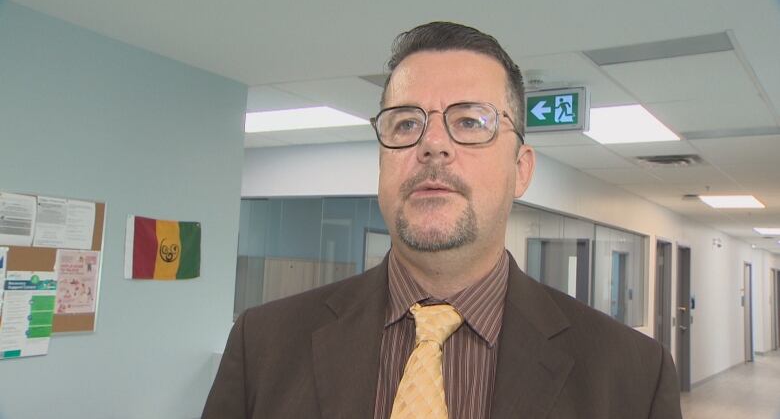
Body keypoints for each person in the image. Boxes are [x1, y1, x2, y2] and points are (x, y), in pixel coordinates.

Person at [203, 22, 683, 419]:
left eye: (470, 122)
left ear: (521, 170)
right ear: (382, 163)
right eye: (406, 123)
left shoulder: (632, 376)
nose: (432, 144)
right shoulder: (263, 345)